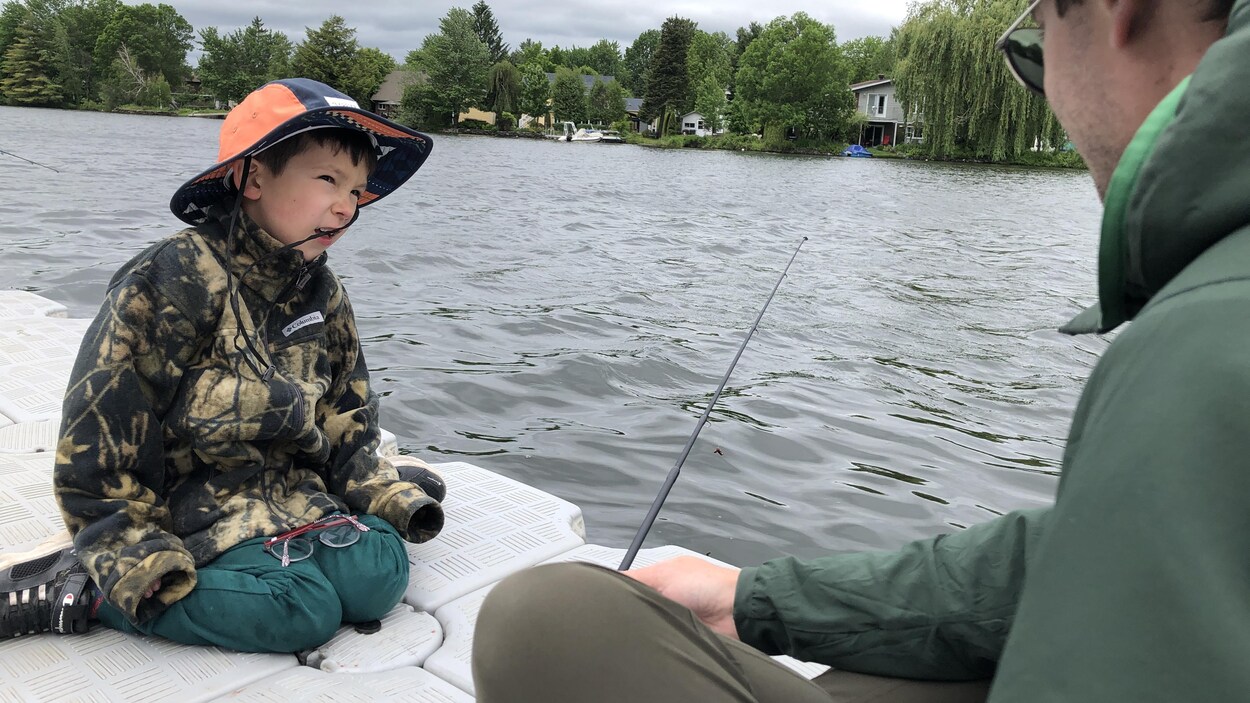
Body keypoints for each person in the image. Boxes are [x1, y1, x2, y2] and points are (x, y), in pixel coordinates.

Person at [471, 0, 1247, 700]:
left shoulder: (1204, 342)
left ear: (1119, 11)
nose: (1049, 95)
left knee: (545, 616)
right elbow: (1076, 563)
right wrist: (750, 598)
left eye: (1035, 50)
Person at [0, 78, 447, 653]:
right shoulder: (170, 278)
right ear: (254, 177)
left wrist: (372, 486)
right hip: (192, 515)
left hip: (293, 498)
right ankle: (86, 589)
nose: (346, 206)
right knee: (299, 612)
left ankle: (374, 493)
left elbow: (348, 412)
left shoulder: (323, 289)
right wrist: (129, 550)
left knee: (380, 573)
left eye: (357, 190)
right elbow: (100, 438)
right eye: (328, 180)